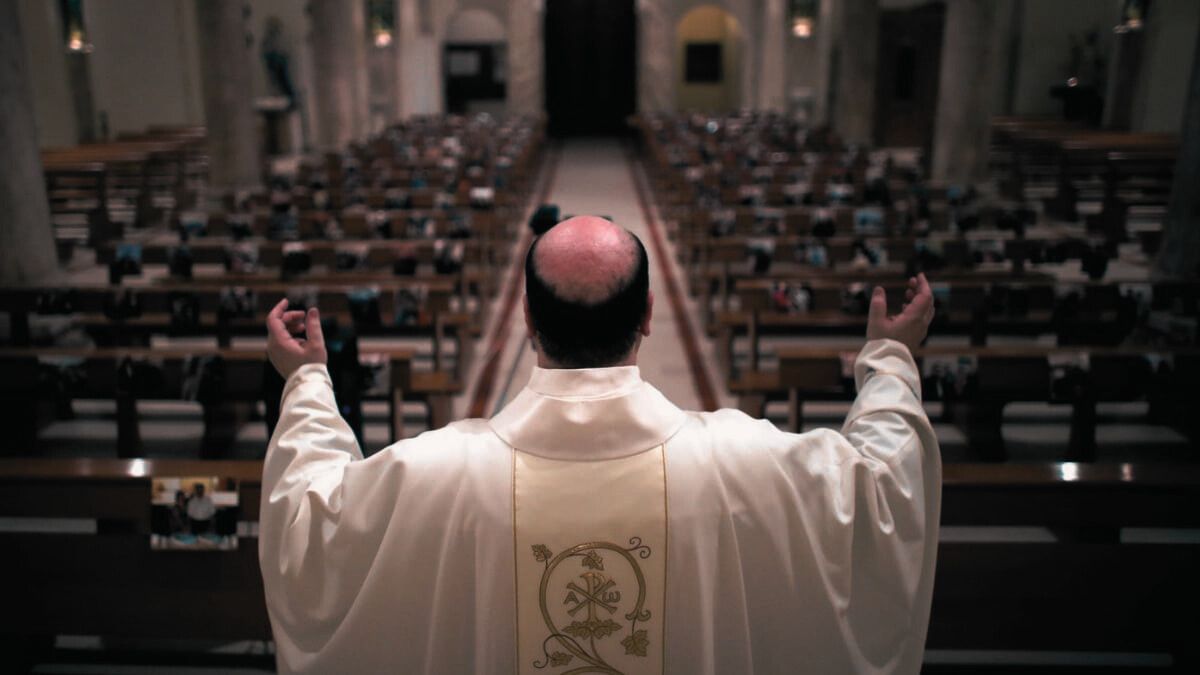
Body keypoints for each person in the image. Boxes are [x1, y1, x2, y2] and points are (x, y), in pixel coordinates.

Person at [261, 216, 939, 674]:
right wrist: (889, 359)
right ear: (648, 317)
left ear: (527, 318)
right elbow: (883, 493)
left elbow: (307, 526)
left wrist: (308, 382)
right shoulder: (745, 462)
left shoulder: (435, 471)